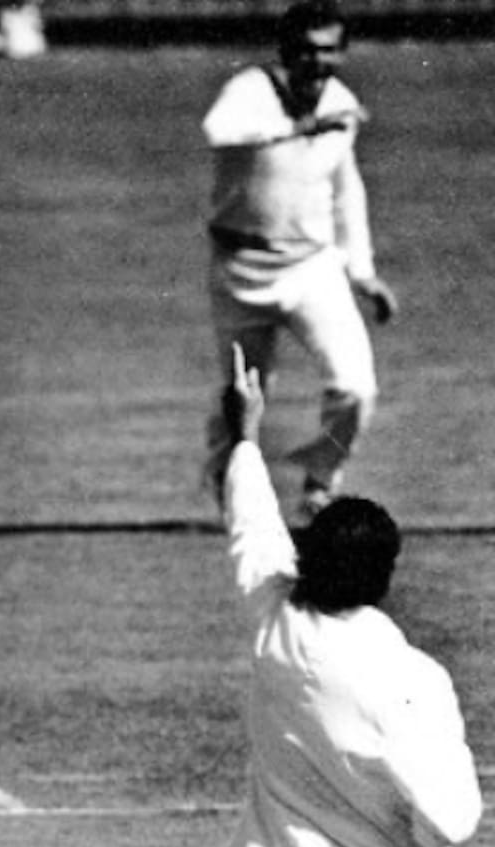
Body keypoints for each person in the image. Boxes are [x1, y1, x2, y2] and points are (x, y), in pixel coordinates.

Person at [216, 347, 481, 847]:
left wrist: (246, 436)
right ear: (386, 579)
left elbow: (252, 526)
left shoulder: (274, 621)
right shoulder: (408, 679)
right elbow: (455, 816)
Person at [201, 0, 398, 520]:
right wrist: (302, 125)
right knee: (245, 395)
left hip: (313, 269)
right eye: (307, 51)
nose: (318, 62)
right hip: (241, 268)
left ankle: (320, 482)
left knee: (357, 386)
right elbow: (219, 130)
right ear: (287, 52)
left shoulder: (342, 104)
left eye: (330, 51)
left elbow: (346, 190)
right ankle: (227, 487)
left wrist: (362, 271)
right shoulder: (249, 91)